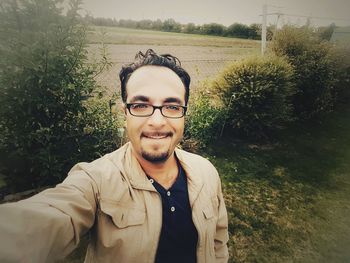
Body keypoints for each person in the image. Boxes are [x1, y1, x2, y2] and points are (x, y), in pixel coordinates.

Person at [0, 49, 229, 263]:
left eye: (172, 106)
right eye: (140, 105)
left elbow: (218, 242)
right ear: (124, 114)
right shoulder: (96, 180)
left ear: (184, 114)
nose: (157, 122)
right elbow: (49, 217)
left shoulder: (206, 172)